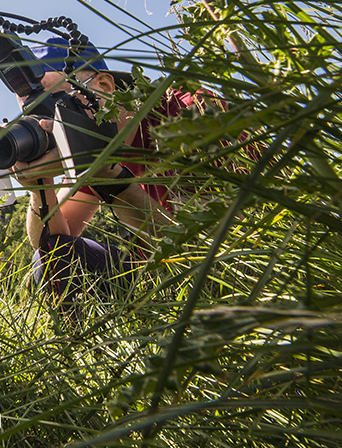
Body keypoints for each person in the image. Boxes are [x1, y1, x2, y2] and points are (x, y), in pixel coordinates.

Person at [12, 37, 208, 303]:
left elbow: (205, 250)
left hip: (216, 274)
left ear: (103, 85)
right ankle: (77, 343)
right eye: (35, 115)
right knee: (55, 255)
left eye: (54, 105)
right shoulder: (90, 148)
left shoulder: (187, 111)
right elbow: (49, 244)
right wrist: (41, 187)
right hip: (154, 285)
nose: (50, 123)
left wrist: (108, 177)